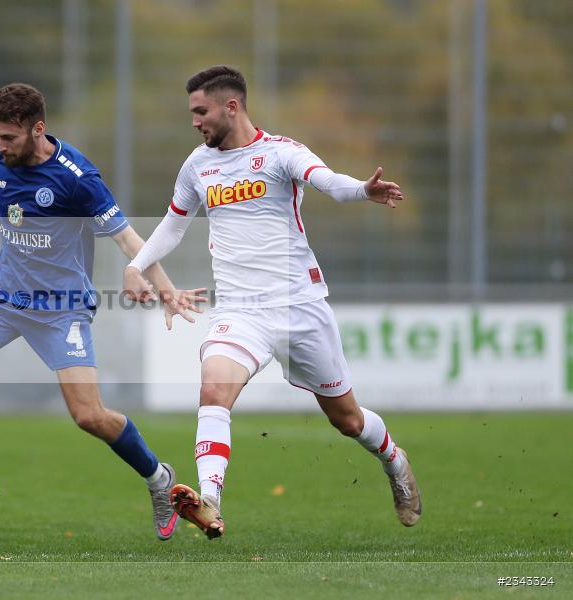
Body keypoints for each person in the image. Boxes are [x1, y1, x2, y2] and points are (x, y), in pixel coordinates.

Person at [123, 65, 421, 539]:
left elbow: (328, 181)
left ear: (231, 106)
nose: (195, 122)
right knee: (213, 389)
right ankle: (210, 500)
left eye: (201, 112)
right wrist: (137, 264)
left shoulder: (282, 153)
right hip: (240, 311)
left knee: (347, 419)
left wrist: (363, 190)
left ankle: (393, 459)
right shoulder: (197, 165)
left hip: (300, 306)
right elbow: (174, 224)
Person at [0, 83, 204, 537]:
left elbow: (129, 238)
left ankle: (158, 479)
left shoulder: (77, 178)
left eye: (9, 137)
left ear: (38, 129)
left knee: (89, 416)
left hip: (61, 310)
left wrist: (163, 288)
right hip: (4, 298)